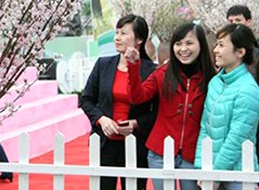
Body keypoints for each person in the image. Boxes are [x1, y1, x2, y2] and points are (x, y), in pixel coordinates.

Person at [124, 23, 216, 190]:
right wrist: (133, 67)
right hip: (160, 152)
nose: (183, 49)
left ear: (201, 45)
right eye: (178, 43)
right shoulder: (162, 73)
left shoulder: (211, 78)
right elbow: (138, 97)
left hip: (193, 154)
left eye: (189, 43)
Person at [80, 14, 158, 190]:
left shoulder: (151, 70)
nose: (117, 38)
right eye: (116, 32)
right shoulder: (103, 64)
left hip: (135, 143)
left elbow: (157, 111)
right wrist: (102, 119)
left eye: (123, 33)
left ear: (139, 39)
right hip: (105, 143)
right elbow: (86, 99)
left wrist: (136, 124)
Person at [195, 24, 259, 190]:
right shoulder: (216, 82)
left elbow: (237, 139)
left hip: (237, 176)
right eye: (217, 44)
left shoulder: (248, 89)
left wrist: (216, 175)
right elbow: (205, 128)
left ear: (240, 52)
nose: (215, 50)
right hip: (210, 172)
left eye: (222, 45)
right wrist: (201, 166)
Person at [226, 5, 259, 190]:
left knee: (250, 153)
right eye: (230, 21)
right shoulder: (226, 50)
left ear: (248, 22)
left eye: (237, 21)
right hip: (232, 116)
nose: (234, 25)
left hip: (256, 115)